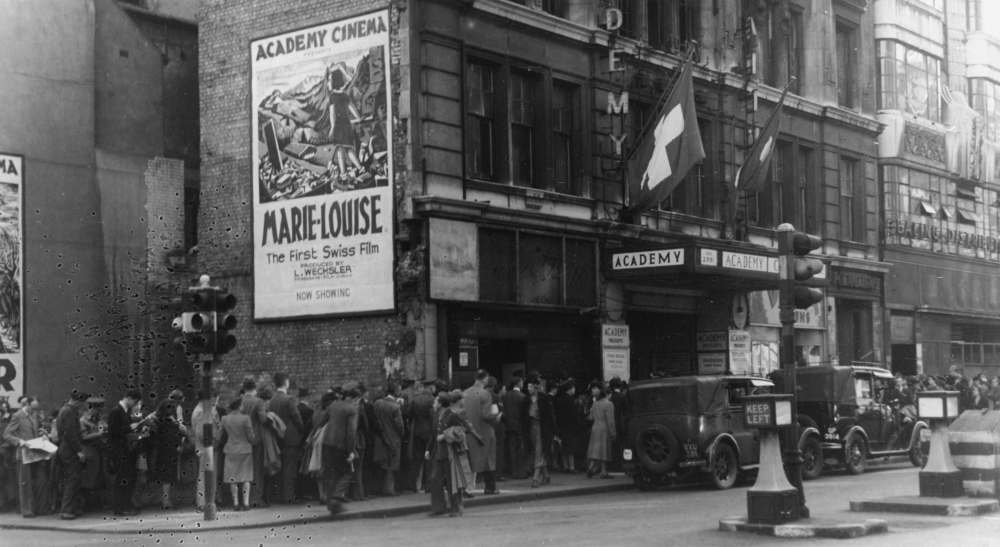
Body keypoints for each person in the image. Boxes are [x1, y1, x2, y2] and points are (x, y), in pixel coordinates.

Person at [313, 384, 359, 514]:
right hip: (341, 445)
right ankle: (336, 499)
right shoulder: (352, 409)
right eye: (357, 400)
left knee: (331, 473)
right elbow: (351, 432)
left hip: (327, 444)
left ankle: (330, 503)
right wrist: (351, 451)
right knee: (347, 473)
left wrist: (313, 437)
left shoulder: (333, 405)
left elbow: (321, 422)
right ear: (353, 398)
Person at [427, 391, 470, 517]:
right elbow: (433, 434)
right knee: (435, 480)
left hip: (451, 453)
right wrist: (428, 449)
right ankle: (438, 507)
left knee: (453, 482)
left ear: (440, 403)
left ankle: (456, 508)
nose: (434, 403)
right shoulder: (436, 415)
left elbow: (462, 430)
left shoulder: (452, 415)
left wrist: (445, 435)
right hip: (438, 453)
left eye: (435, 401)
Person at [3, 395, 47, 517]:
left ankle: (40, 508)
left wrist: (43, 434)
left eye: (36, 409)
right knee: (25, 483)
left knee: (41, 480)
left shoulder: (34, 415)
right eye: (32, 408)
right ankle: (27, 510)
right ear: (26, 405)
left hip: (35, 453)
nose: (34, 411)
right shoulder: (17, 416)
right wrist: (19, 441)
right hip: (24, 454)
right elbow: (7, 434)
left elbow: (35, 431)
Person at [267, 372, 303, 504]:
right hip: (291, 438)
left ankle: (279, 495)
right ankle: (289, 496)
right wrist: (301, 431)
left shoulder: (272, 401)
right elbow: (297, 418)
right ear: (286, 382)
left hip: (277, 438)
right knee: (290, 468)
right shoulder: (289, 399)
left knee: (279, 468)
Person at [463, 369, 499, 495]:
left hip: (469, 431)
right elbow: (486, 415)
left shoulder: (465, 393)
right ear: (485, 379)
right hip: (484, 430)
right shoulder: (485, 394)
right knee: (489, 459)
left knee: (469, 459)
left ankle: (467, 488)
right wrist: (496, 414)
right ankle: (490, 487)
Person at [107, 389, 141, 516]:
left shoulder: (124, 411)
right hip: (119, 450)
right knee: (122, 478)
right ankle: (119, 507)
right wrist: (130, 427)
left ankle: (124, 505)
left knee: (126, 477)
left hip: (124, 449)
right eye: (135, 402)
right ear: (129, 398)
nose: (135, 405)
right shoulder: (116, 411)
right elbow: (114, 431)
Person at [56, 391, 88, 519]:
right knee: (72, 479)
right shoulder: (70, 412)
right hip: (69, 450)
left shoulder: (65, 410)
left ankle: (71, 508)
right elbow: (70, 433)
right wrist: (79, 450)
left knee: (72, 479)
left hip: (65, 448)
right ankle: (66, 510)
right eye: (82, 402)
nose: (83, 405)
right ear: (78, 401)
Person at [221, 398, 256, 511]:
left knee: (233, 478)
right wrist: (254, 441)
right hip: (245, 450)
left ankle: (235, 503)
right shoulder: (246, 418)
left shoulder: (225, 419)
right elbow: (250, 436)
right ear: (239, 406)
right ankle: (246, 503)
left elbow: (221, 434)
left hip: (230, 449)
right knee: (246, 478)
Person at [240, 378, 269, 507]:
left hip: (241, 441)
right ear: (254, 389)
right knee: (257, 470)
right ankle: (256, 499)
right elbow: (263, 419)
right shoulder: (258, 402)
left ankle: (244, 499)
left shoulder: (239, 402)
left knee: (243, 471)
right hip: (256, 440)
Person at [191, 389, 222, 511]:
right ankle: (203, 503)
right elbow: (200, 432)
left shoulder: (206, 410)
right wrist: (214, 440)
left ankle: (209, 502)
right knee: (204, 476)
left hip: (210, 447)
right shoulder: (200, 411)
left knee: (209, 476)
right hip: (206, 448)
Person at [372, 383, 404, 496]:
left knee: (382, 463)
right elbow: (400, 425)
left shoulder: (377, 403)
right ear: (395, 392)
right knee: (392, 465)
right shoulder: (395, 407)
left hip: (379, 438)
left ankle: (378, 488)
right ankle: (389, 489)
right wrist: (401, 435)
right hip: (393, 438)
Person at [522, 376, 554, 488]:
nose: (528, 388)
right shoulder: (526, 399)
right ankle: (546, 475)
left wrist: (554, 431)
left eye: (530, 386)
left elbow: (550, 416)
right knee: (537, 451)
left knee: (539, 451)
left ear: (536, 387)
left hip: (542, 427)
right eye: (528, 386)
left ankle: (535, 478)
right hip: (531, 427)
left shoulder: (544, 399)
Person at [152, 399, 184, 509]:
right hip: (170, 451)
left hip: (162, 451)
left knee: (165, 478)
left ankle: (165, 499)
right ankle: (166, 500)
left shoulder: (157, 420)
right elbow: (179, 433)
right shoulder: (171, 422)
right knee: (168, 478)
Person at [79, 397, 106, 510]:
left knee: (97, 477)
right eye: (96, 409)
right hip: (88, 450)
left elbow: (103, 427)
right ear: (91, 408)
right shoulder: (83, 420)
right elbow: (83, 437)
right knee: (88, 478)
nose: (99, 412)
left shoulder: (99, 419)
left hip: (98, 451)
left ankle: (94, 503)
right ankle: (85, 504)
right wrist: (99, 434)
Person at [586, 382, 616, 479]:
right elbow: (610, 420)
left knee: (596, 450)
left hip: (595, 427)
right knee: (604, 450)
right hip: (604, 428)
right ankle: (603, 471)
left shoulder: (595, 404)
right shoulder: (609, 404)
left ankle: (591, 467)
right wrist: (613, 433)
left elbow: (590, 417)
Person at [501, 377, 526, 480]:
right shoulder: (522, 396)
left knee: (511, 448)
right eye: (522, 383)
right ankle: (520, 472)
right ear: (519, 384)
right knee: (520, 449)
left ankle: (513, 471)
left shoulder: (505, 395)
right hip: (519, 426)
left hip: (508, 425)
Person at [554, 380, 581, 473]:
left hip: (561, 426)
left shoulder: (558, 399)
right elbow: (574, 414)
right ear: (569, 389)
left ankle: (565, 466)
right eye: (573, 388)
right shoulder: (571, 400)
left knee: (563, 447)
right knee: (571, 448)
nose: (574, 389)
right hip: (570, 426)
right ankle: (572, 467)